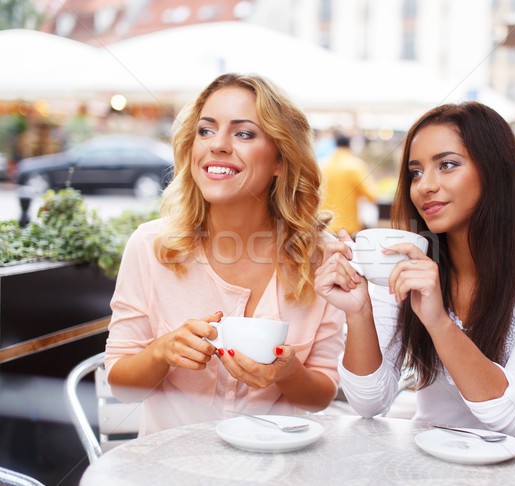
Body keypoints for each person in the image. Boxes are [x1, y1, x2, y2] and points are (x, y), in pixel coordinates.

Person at [315, 101, 515, 450]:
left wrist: (439, 323)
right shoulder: (403, 261)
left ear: (494, 171)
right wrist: (359, 312)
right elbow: (368, 403)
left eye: (447, 165)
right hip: (429, 465)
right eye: (415, 172)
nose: (425, 185)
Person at [105, 73, 345, 436]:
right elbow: (121, 388)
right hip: (170, 469)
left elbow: (320, 397)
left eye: (243, 133)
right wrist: (161, 353)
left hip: (275, 469)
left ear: (281, 159)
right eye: (205, 130)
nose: (217, 144)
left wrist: (289, 373)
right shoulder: (150, 246)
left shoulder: (321, 258)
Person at [320, 131, 379, 236]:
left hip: (324, 227)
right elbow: (372, 195)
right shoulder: (355, 166)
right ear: (349, 145)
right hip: (347, 229)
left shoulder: (322, 165)